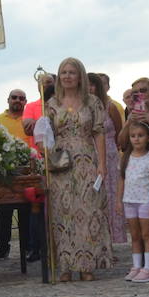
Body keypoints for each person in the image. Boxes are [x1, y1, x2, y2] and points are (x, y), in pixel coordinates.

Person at [43, 58, 111, 281]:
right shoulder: (52, 103)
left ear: (80, 75)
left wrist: (102, 163)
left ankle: (86, 264)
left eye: (72, 72)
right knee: (63, 213)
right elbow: (47, 134)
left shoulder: (92, 102)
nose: (67, 76)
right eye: (63, 72)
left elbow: (98, 132)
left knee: (87, 209)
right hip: (61, 162)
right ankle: (65, 265)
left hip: (86, 158)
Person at [0, 88, 36, 262]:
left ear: (25, 102)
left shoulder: (29, 120)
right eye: (14, 97)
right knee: (4, 213)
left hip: (26, 171)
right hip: (5, 172)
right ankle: (2, 248)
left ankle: (26, 247)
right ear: (8, 99)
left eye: (21, 98)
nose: (17, 100)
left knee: (25, 212)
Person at [119, 120, 149, 283]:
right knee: (135, 235)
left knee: (146, 234)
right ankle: (136, 266)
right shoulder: (126, 158)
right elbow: (121, 180)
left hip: (145, 200)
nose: (136, 139)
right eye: (133, 136)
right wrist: (119, 201)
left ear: (148, 138)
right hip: (129, 201)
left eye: (140, 136)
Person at [89, 73, 127, 247]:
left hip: (110, 154)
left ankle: (113, 241)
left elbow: (120, 133)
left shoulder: (109, 107)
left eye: (92, 85)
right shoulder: (82, 108)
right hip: (90, 155)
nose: (89, 88)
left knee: (111, 197)